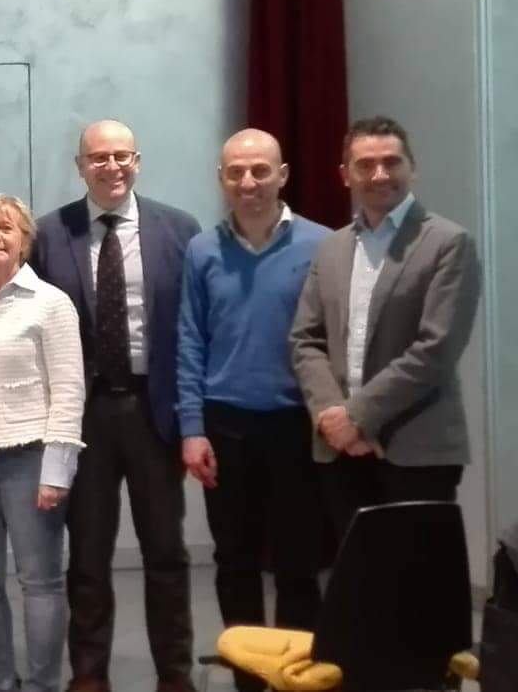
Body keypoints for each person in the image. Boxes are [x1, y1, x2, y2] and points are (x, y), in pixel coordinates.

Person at [27, 119, 201, 692]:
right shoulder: (49, 235)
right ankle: (88, 673)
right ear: (80, 167)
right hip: (85, 414)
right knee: (88, 554)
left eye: (122, 156)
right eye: (98, 158)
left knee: (166, 551)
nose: (111, 167)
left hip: (155, 411)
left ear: (138, 161)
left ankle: (175, 673)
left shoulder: (179, 230)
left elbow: (192, 329)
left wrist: (191, 419)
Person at [176, 129, 329, 692]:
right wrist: (192, 429)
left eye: (260, 170)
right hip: (226, 426)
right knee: (234, 561)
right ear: (221, 179)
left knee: (298, 565)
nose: (248, 182)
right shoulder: (202, 251)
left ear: (282, 175)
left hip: (297, 425)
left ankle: (298, 678)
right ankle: (249, 679)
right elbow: (190, 342)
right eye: (236, 172)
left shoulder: (322, 245)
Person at [290, 116, 481, 536]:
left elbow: (437, 348)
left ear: (413, 168)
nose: (380, 174)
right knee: (357, 573)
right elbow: (306, 340)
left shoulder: (449, 243)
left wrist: (357, 416)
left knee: (418, 573)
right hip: (341, 450)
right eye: (366, 164)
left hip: (417, 449)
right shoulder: (331, 247)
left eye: (391, 162)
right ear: (345, 175)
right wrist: (332, 418)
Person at [0, 194, 86, 692]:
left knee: (40, 581)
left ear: (24, 239)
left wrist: (57, 469)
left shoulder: (51, 304)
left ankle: (44, 684)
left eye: (6, 228)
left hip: (30, 456)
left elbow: (69, 390)